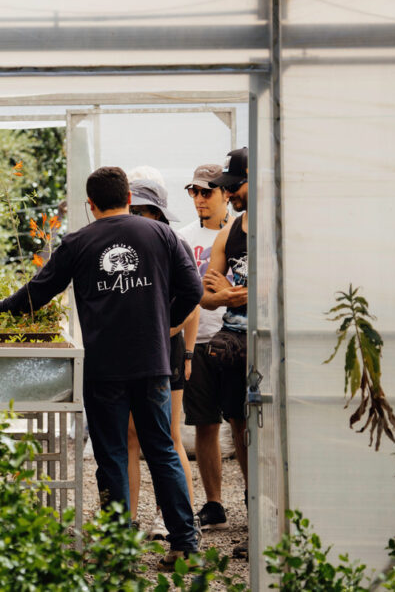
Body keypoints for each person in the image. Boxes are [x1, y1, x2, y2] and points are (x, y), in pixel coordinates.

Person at [0, 167, 202, 567]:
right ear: (128, 196)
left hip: (105, 368)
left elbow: (38, 292)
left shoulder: (78, 242)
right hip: (153, 363)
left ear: (90, 205)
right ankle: (185, 545)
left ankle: (118, 550)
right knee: (162, 450)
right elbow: (193, 289)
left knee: (113, 455)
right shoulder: (161, 234)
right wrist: (165, 324)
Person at [125, 178, 199, 544]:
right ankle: (128, 522)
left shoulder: (174, 243)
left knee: (169, 437)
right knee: (131, 438)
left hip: (165, 349)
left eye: (140, 210)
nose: (134, 216)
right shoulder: (128, 246)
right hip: (136, 348)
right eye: (131, 208)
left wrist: (185, 349)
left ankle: (172, 519)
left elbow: (194, 298)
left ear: (155, 212)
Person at [177, 164, 236, 532]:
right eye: (194, 192)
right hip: (197, 341)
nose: (199, 199)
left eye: (206, 191)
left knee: (244, 424)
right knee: (205, 425)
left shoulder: (238, 234)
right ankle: (214, 503)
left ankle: (252, 497)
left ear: (224, 193)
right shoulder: (183, 237)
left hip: (231, 336)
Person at [201, 148, 250, 558]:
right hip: (233, 341)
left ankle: (275, 520)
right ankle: (257, 521)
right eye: (227, 187)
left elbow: (294, 281)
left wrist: (235, 293)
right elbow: (205, 295)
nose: (229, 193)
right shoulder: (228, 233)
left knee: (272, 431)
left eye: (235, 186)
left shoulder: (278, 227)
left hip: (266, 342)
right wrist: (227, 298)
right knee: (240, 427)